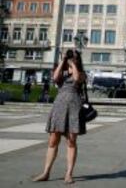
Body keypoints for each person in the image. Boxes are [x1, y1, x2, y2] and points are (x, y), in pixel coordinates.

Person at [32, 49, 87, 184]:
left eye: (73, 55)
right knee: (53, 140)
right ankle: (46, 172)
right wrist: (62, 60)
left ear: (77, 59)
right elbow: (55, 78)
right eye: (69, 55)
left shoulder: (82, 73)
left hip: (74, 109)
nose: (70, 57)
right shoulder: (61, 72)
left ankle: (69, 174)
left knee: (71, 141)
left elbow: (76, 78)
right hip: (59, 107)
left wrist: (73, 64)